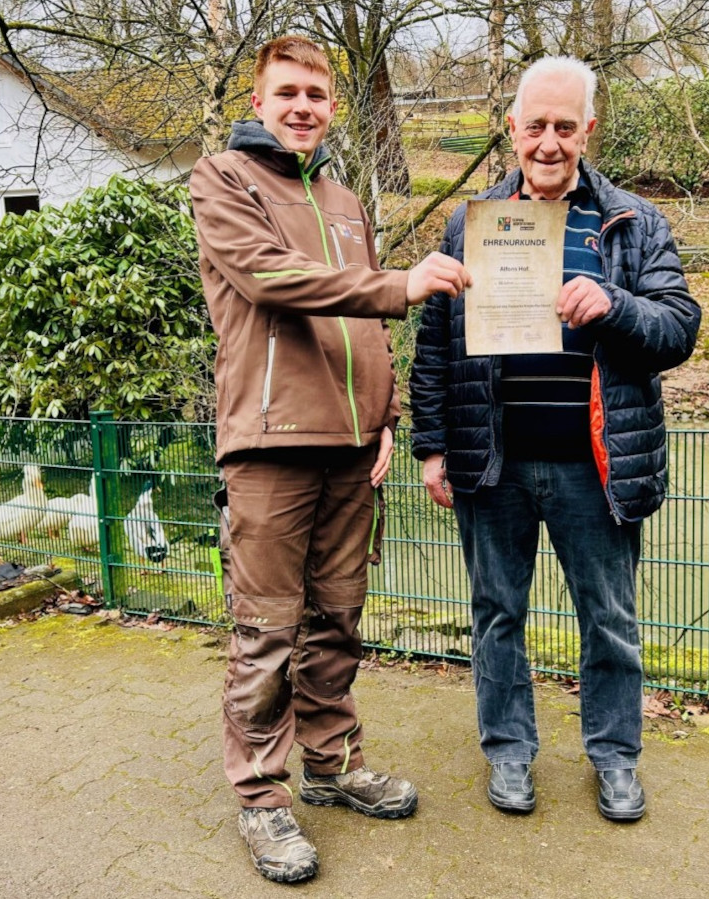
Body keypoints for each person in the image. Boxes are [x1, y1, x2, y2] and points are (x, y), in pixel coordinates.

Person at [189, 35, 469, 884]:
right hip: (270, 443)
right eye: (287, 93)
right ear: (258, 100)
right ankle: (261, 797)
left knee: (338, 619)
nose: (302, 107)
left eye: (316, 94)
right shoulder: (223, 179)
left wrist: (385, 414)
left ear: (333, 107)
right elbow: (274, 279)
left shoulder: (344, 197)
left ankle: (333, 763)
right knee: (268, 629)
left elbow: (363, 326)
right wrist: (398, 283)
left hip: (354, 449)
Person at [409, 55, 701, 821]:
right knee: (496, 615)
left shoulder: (632, 223)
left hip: (593, 466)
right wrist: (432, 447)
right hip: (493, 462)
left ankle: (615, 758)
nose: (548, 142)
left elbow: (679, 328)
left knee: (609, 621)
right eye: (534, 125)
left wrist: (613, 304)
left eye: (564, 127)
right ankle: (508, 751)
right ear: (512, 128)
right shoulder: (471, 222)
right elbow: (436, 342)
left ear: (587, 130)